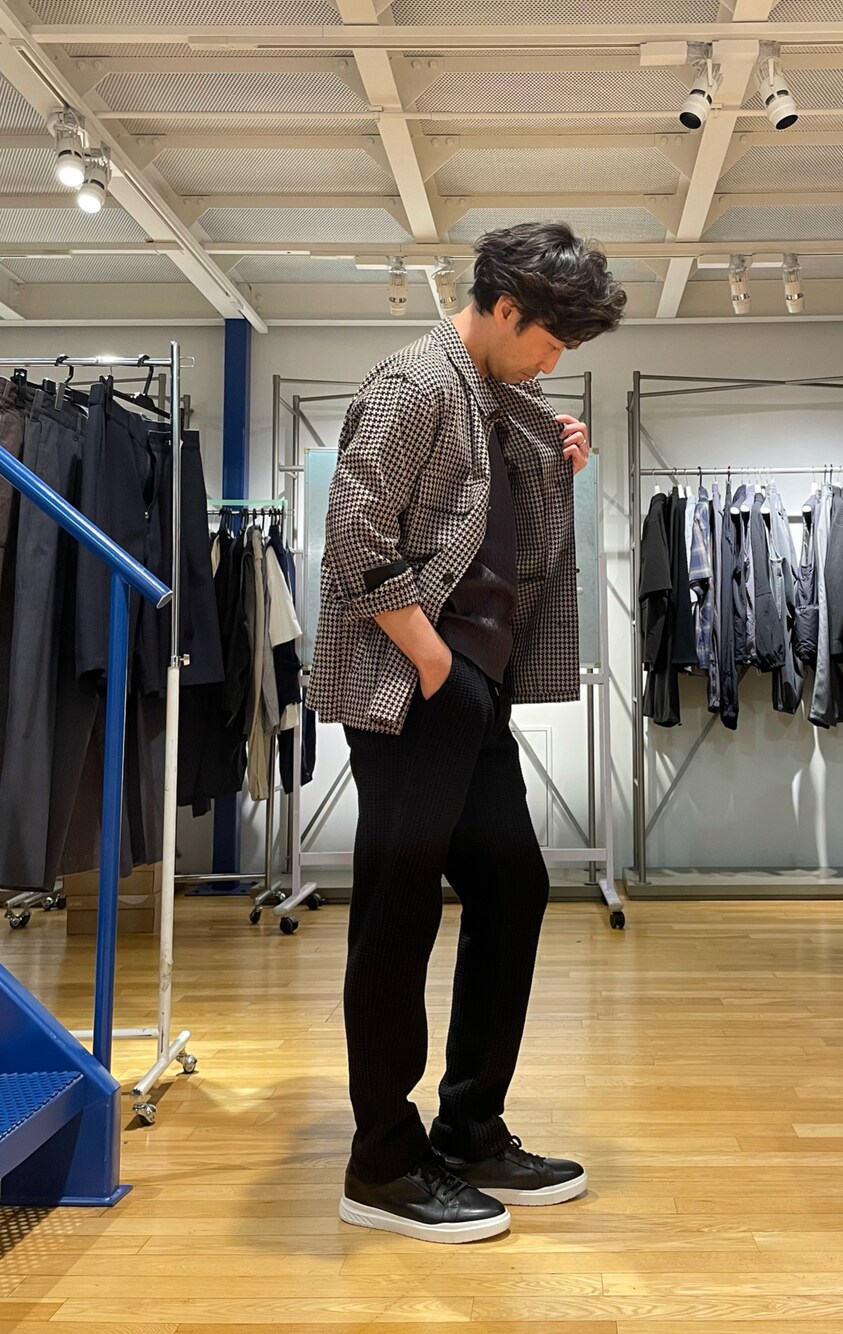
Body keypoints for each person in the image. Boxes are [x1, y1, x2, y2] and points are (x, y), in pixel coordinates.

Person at [308, 221, 626, 1244]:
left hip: (469, 688)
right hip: (416, 685)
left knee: (513, 886)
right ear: (504, 309)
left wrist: (559, 461)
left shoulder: (497, 400)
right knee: (397, 914)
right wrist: (435, 665)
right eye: (550, 341)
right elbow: (353, 534)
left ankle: (469, 1126)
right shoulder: (415, 383)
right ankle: (381, 1161)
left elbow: (496, 539)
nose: (553, 363)